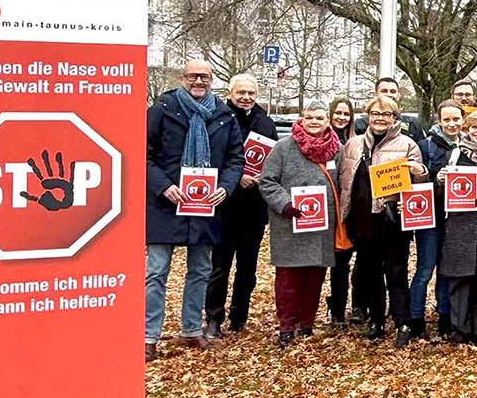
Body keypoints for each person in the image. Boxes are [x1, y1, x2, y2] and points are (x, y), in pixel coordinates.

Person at [144, 61, 245, 362]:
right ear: (182, 78)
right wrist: (163, 186)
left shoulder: (224, 115)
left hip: (205, 205)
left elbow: (235, 159)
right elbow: (142, 153)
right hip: (165, 204)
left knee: (200, 270)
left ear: (212, 80)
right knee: (156, 272)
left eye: (204, 77)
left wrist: (225, 188)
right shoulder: (162, 109)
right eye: (193, 76)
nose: (198, 81)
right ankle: (148, 336)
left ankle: (190, 329)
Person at [337, 94, 428, 347]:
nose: (380, 119)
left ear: (394, 118)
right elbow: (343, 180)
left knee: (397, 272)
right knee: (370, 273)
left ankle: (403, 322)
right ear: (368, 116)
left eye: (386, 114)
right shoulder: (353, 145)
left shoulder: (408, 144)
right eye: (375, 114)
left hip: (392, 220)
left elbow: (419, 183)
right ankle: (376, 320)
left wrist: (419, 173)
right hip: (361, 219)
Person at [257, 101, 341, 347]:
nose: (314, 122)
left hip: (322, 226)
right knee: (288, 278)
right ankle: (286, 327)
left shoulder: (337, 149)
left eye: (320, 118)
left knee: (315, 276)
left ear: (328, 121)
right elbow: (268, 181)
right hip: (289, 224)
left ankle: (306, 324)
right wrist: (285, 203)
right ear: (302, 119)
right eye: (310, 117)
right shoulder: (283, 148)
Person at [205, 73, 277, 338]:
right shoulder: (218, 118)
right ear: (231, 92)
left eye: (251, 93)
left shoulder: (265, 122)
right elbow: (212, 158)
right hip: (224, 204)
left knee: (248, 266)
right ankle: (213, 318)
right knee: (220, 265)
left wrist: (262, 177)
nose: (246, 98)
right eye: (241, 93)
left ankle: (239, 316)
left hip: (255, 206)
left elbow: (271, 159)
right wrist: (236, 178)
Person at [436, 110, 477, 345]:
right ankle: (460, 329)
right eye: (474, 127)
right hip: (459, 224)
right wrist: (440, 180)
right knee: (458, 279)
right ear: (466, 129)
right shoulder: (453, 155)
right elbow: (439, 190)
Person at [409, 100, 463, 340]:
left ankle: (444, 317)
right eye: (447, 120)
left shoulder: (468, 146)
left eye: (456, 119)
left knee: (446, 271)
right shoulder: (426, 146)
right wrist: (434, 179)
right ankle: (416, 319)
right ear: (439, 121)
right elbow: (414, 182)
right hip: (429, 217)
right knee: (424, 269)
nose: (452, 124)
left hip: (455, 219)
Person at [325, 96, 358, 323]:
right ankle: (335, 308)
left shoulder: (356, 142)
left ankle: (350, 308)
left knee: (348, 264)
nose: (342, 118)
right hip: (330, 208)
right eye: (338, 113)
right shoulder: (323, 140)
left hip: (352, 209)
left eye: (346, 114)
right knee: (335, 263)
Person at [355, 76, 427, 142]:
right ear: (375, 94)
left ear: (398, 96)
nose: (389, 94)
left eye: (393, 91)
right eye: (384, 91)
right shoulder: (360, 124)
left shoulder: (412, 124)